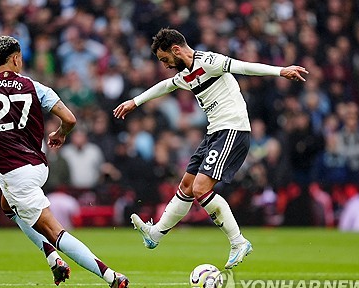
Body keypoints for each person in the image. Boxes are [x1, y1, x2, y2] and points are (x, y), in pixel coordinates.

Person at [114, 28, 308, 269]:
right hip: (214, 133)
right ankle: (155, 235)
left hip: (233, 130)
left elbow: (244, 66)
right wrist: (135, 101)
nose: (164, 65)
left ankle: (238, 242)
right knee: (186, 185)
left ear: (176, 50)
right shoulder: (186, 75)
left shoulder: (209, 61)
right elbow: (165, 86)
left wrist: (280, 71)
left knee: (200, 188)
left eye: (165, 59)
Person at [0, 36, 128, 288]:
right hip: (37, 165)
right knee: (7, 206)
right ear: (16, 58)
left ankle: (111, 276)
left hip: (14, 173)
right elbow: (70, 119)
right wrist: (60, 133)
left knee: (55, 232)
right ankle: (53, 259)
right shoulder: (36, 87)